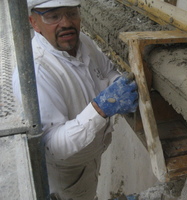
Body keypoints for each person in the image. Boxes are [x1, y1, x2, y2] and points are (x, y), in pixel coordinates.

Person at [12, 0, 138, 199]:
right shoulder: (37, 71)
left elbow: (107, 69)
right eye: (53, 16)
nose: (66, 23)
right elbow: (52, 147)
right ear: (34, 23)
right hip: (68, 170)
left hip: (92, 151)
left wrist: (120, 86)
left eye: (71, 13)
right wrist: (101, 109)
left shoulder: (82, 42)